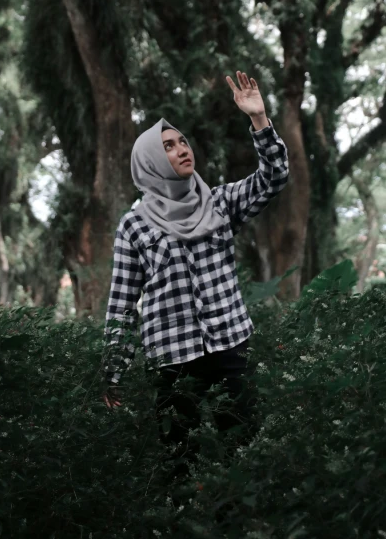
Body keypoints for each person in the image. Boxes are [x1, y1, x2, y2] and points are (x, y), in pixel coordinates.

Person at [101, 71, 289, 491]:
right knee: (179, 462)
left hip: (229, 347)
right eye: (167, 146)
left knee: (242, 452)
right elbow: (120, 304)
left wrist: (259, 119)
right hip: (173, 358)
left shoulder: (219, 203)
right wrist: (112, 372)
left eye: (182, 141)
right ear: (149, 160)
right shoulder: (134, 226)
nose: (181, 149)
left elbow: (273, 178)